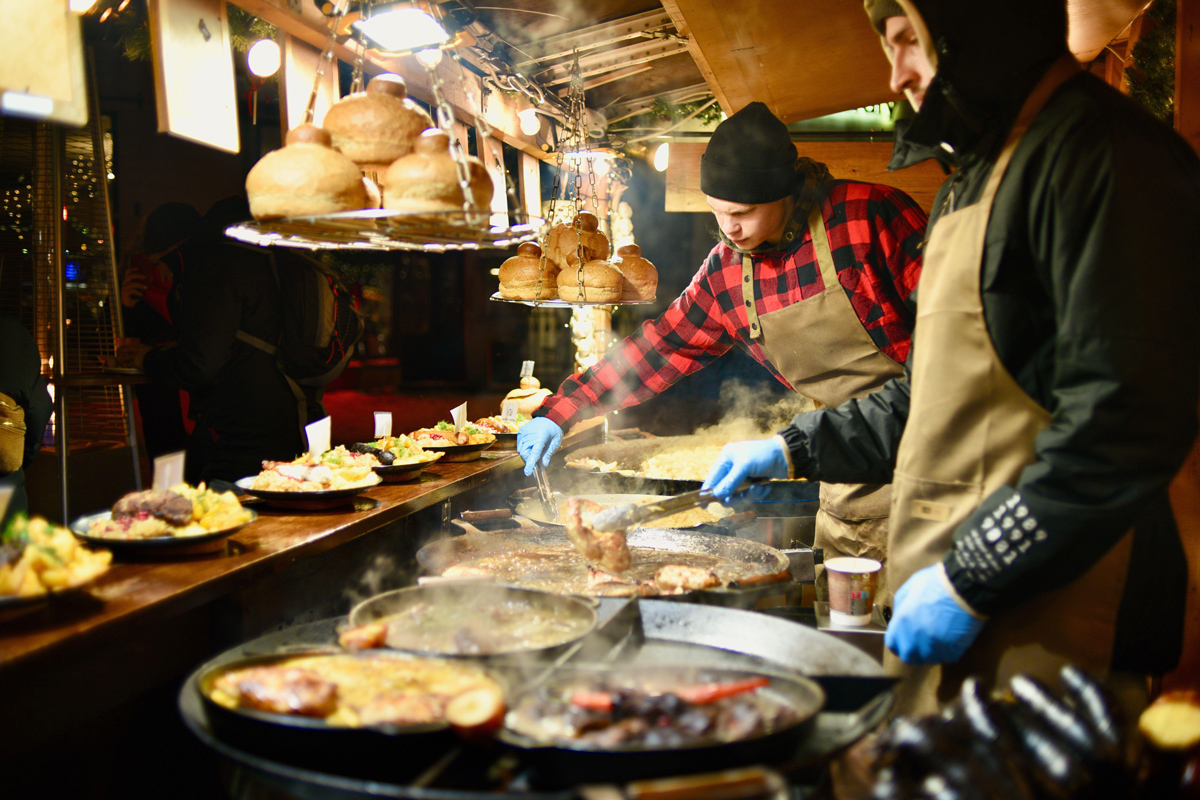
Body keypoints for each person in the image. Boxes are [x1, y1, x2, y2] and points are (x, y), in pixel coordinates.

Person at [704, 0, 1200, 716]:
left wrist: (975, 574)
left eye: (910, 41)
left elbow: (1123, 419)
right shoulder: (977, 179)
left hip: (1059, 613)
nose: (896, 75)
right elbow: (930, 395)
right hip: (963, 592)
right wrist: (791, 447)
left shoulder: (1101, 156)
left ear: (979, 28)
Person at [518, 101, 927, 592]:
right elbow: (659, 348)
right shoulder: (728, 270)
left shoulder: (868, 217)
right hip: (852, 491)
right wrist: (560, 410)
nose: (729, 229)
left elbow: (962, 344)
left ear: (786, 192)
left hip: (941, 464)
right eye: (717, 213)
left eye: (742, 213)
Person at [117, 198, 327, 482]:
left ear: (178, 249)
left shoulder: (218, 269)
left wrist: (146, 357)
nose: (163, 272)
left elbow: (199, 364)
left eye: (161, 263)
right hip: (300, 416)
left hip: (246, 434)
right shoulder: (272, 261)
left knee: (231, 516)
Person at [120, 202, 198, 459]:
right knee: (169, 484)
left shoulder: (203, 286)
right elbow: (115, 349)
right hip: (160, 408)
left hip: (201, 411)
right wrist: (125, 308)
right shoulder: (139, 288)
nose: (162, 268)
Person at [0, 314, 52, 521]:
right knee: (8, 549)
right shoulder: (8, 332)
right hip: (3, 480)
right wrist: (23, 457)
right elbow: (38, 408)